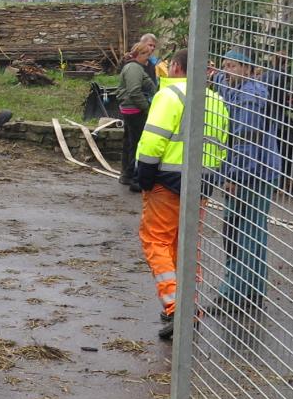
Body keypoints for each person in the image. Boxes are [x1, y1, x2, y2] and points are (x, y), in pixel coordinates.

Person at [134, 50, 230, 341]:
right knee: (187, 245)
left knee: (157, 241)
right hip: (202, 183)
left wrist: (144, 179)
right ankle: (189, 306)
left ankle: (178, 309)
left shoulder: (170, 95)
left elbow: (152, 141)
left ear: (176, 67)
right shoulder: (216, 99)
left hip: (167, 183)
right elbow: (222, 145)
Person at [209, 49, 282, 321]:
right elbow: (219, 84)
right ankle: (253, 290)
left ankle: (232, 292)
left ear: (249, 69)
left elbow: (244, 141)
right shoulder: (229, 85)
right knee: (239, 229)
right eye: (226, 65)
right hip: (247, 169)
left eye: (234, 66)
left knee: (246, 232)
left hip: (254, 172)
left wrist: (233, 178)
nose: (228, 71)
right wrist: (213, 73)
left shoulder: (252, 96)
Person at [115, 33, 159, 191]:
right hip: (134, 109)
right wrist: (148, 109)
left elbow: (149, 82)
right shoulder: (133, 67)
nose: (149, 56)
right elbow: (134, 91)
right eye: (147, 51)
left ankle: (127, 175)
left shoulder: (141, 66)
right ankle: (133, 178)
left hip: (132, 108)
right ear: (140, 52)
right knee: (137, 143)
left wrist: (157, 92)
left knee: (132, 141)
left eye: (153, 47)